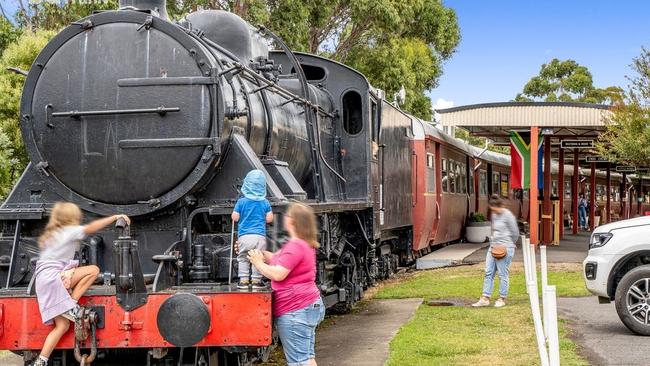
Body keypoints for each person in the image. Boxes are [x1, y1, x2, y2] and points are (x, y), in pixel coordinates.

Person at [33, 202, 129, 366]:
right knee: (93, 270)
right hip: (53, 278)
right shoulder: (67, 231)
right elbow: (92, 227)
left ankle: (41, 361)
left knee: (62, 326)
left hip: (43, 281)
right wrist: (115, 217)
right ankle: (72, 306)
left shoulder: (52, 234)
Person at [248, 203, 325, 366]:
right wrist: (258, 254)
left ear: (293, 221)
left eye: (288, 215)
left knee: (299, 362)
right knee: (307, 358)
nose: (285, 218)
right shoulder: (303, 244)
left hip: (296, 310)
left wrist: (258, 263)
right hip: (307, 305)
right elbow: (276, 258)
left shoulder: (295, 246)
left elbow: (277, 273)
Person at [472, 195, 519, 308]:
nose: (494, 211)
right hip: (493, 246)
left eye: (495, 209)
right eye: (492, 209)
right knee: (489, 272)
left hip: (505, 247)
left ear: (500, 206)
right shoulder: (494, 215)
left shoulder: (508, 215)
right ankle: (485, 297)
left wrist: (510, 244)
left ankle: (501, 298)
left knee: (503, 274)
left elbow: (515, 232)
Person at [232, 169, 273, 289]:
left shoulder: (241, 202)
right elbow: (269, 219)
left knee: (243, 257)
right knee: (258, 257)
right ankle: (256, 280)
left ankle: (243, 280)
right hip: (259, 236)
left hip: (244, 236)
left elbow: (235, 217)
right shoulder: (265, 202)